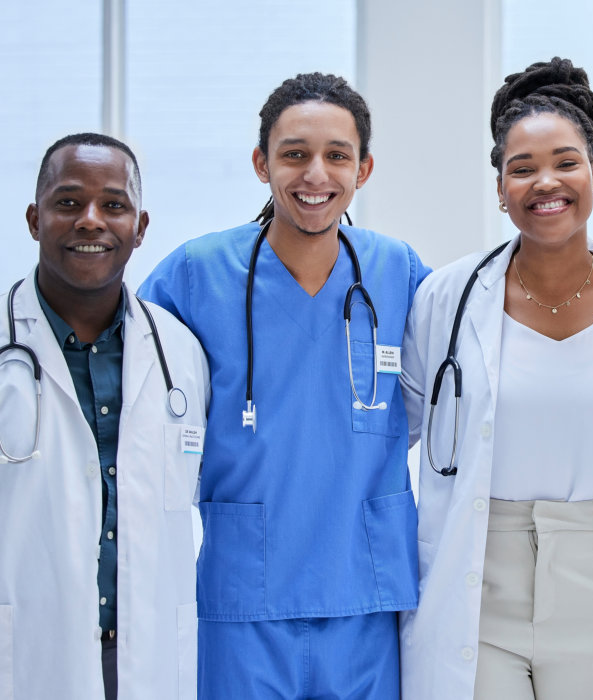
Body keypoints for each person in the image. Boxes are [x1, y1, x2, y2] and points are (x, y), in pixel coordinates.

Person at [139, 74, 428, 699]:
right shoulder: (197, 273)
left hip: (365, 596)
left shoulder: (397, 269)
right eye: (294, 153)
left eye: (337, 155)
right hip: (244, 597)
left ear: (365, 168)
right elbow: (129, 371)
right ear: (261, 162)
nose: (315, 174)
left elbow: (492, 324)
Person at [400, 57, 593, 700]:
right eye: (521, 169)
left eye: (566, 161)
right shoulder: (446, 296)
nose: (544, 182)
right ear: (499, 187)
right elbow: (396, 433)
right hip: (478, 572)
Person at [0, 133, 209, 699]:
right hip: (29, 655)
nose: (91, 221)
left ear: (140, 227)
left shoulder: (180, 354)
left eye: (113, 205)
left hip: (146, 654)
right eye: (68, 202)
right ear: (33, 218)